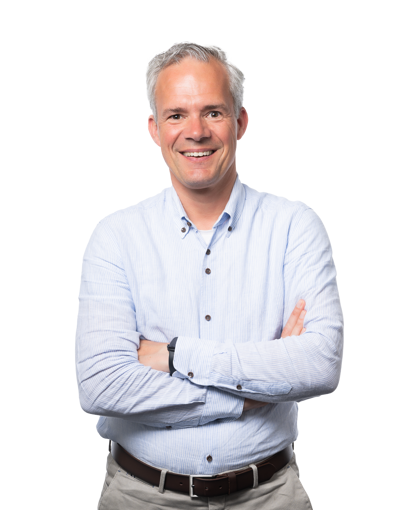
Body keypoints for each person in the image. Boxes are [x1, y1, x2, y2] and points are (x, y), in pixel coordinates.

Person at [76, 41, 344, 509]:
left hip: (269, 497)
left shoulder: (296, 228)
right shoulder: (112, 238)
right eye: (176, 115)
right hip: (141, 498)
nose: (195, 132)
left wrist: (174, 354)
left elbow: (319, 364)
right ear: (154, 130)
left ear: (240, 122)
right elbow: (102, 385)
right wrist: (246, 395)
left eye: (213, 113)